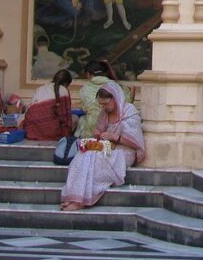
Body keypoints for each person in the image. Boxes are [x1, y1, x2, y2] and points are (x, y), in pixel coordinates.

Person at [60, 81, 145, 211]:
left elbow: (136, 142)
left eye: (106, 103)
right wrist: (98, 134)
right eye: (102, 104)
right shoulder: (105, 113)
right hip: (107, 148)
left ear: (115, 98)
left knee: (95, 161)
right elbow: (99, 134)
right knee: (82, 156)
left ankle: (82, 200)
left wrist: (115, 137)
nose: (104, 107)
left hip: (124, 151)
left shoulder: (128, 111)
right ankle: (74, 197)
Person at [76, 60, 132, 138]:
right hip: (116, 126)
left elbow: (85, 108)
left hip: (93, 127)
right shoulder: (117, 86)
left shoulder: (84, 89)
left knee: (82, 121)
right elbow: (128, 104)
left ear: (88, 74)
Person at [24, 69, 74, 140]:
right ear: (66, 83)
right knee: (75, 118)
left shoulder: (40, 88)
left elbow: (29, 112)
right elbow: (66, 118)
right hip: (52, 132)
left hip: (32, 131)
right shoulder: (64, 90)